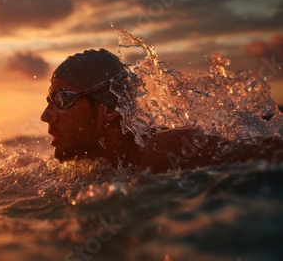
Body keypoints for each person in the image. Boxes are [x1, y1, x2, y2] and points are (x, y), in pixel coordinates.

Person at [40, 49, 283, 173]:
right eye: (50, 101)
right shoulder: (98, 166)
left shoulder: (166, 150)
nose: (45, 115)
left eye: (62, 100)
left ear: (108, 109)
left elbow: (264, 155)